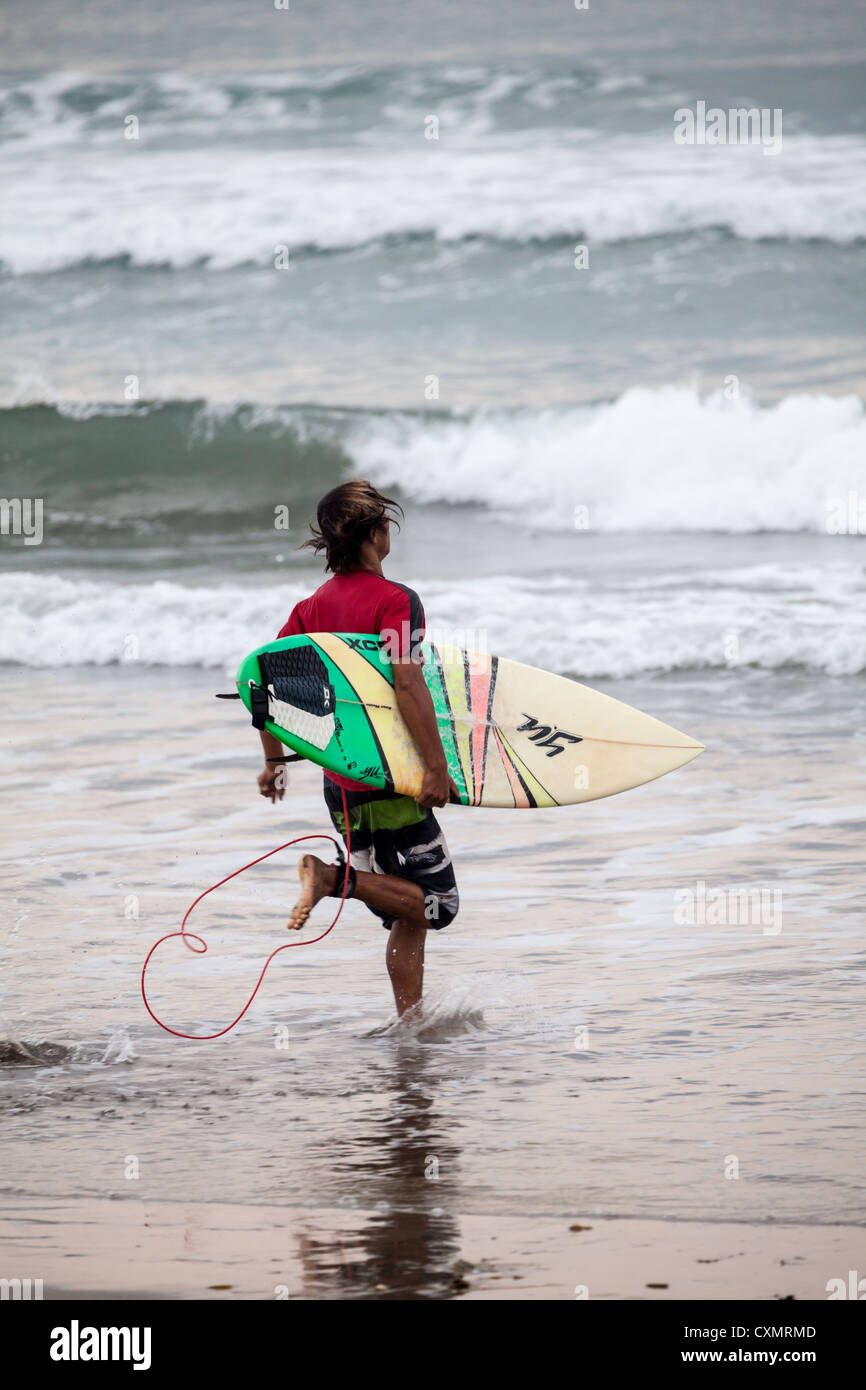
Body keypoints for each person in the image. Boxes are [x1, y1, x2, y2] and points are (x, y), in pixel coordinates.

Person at [256, 480, 460, 1016]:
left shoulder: (310, 608)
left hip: (341, 784)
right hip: (392, 777)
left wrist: (274, 761)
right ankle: (330, 878)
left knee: (405, 912)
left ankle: (409, 1025)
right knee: (438, 906)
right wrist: (436, 769)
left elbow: (265, 682)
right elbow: (408, 683)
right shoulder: (397, 600)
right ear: (376, 532)